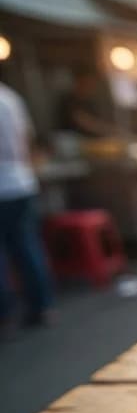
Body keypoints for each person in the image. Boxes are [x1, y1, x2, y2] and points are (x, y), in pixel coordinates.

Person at [0, 79, 54, 330]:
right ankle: (41, 306)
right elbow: (27, 140)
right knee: (27, 247)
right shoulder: (10, 98)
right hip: (21, 182)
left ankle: (5, 315)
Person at [57, 68, 112, 137]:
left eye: (92, 84)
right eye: (87, 83)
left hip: (90, 140)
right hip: (71, 139)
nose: (90, 87)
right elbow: (85, 122)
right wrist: (109, 130)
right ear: (78, 82)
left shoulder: (90, 102)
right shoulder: (69, 101)